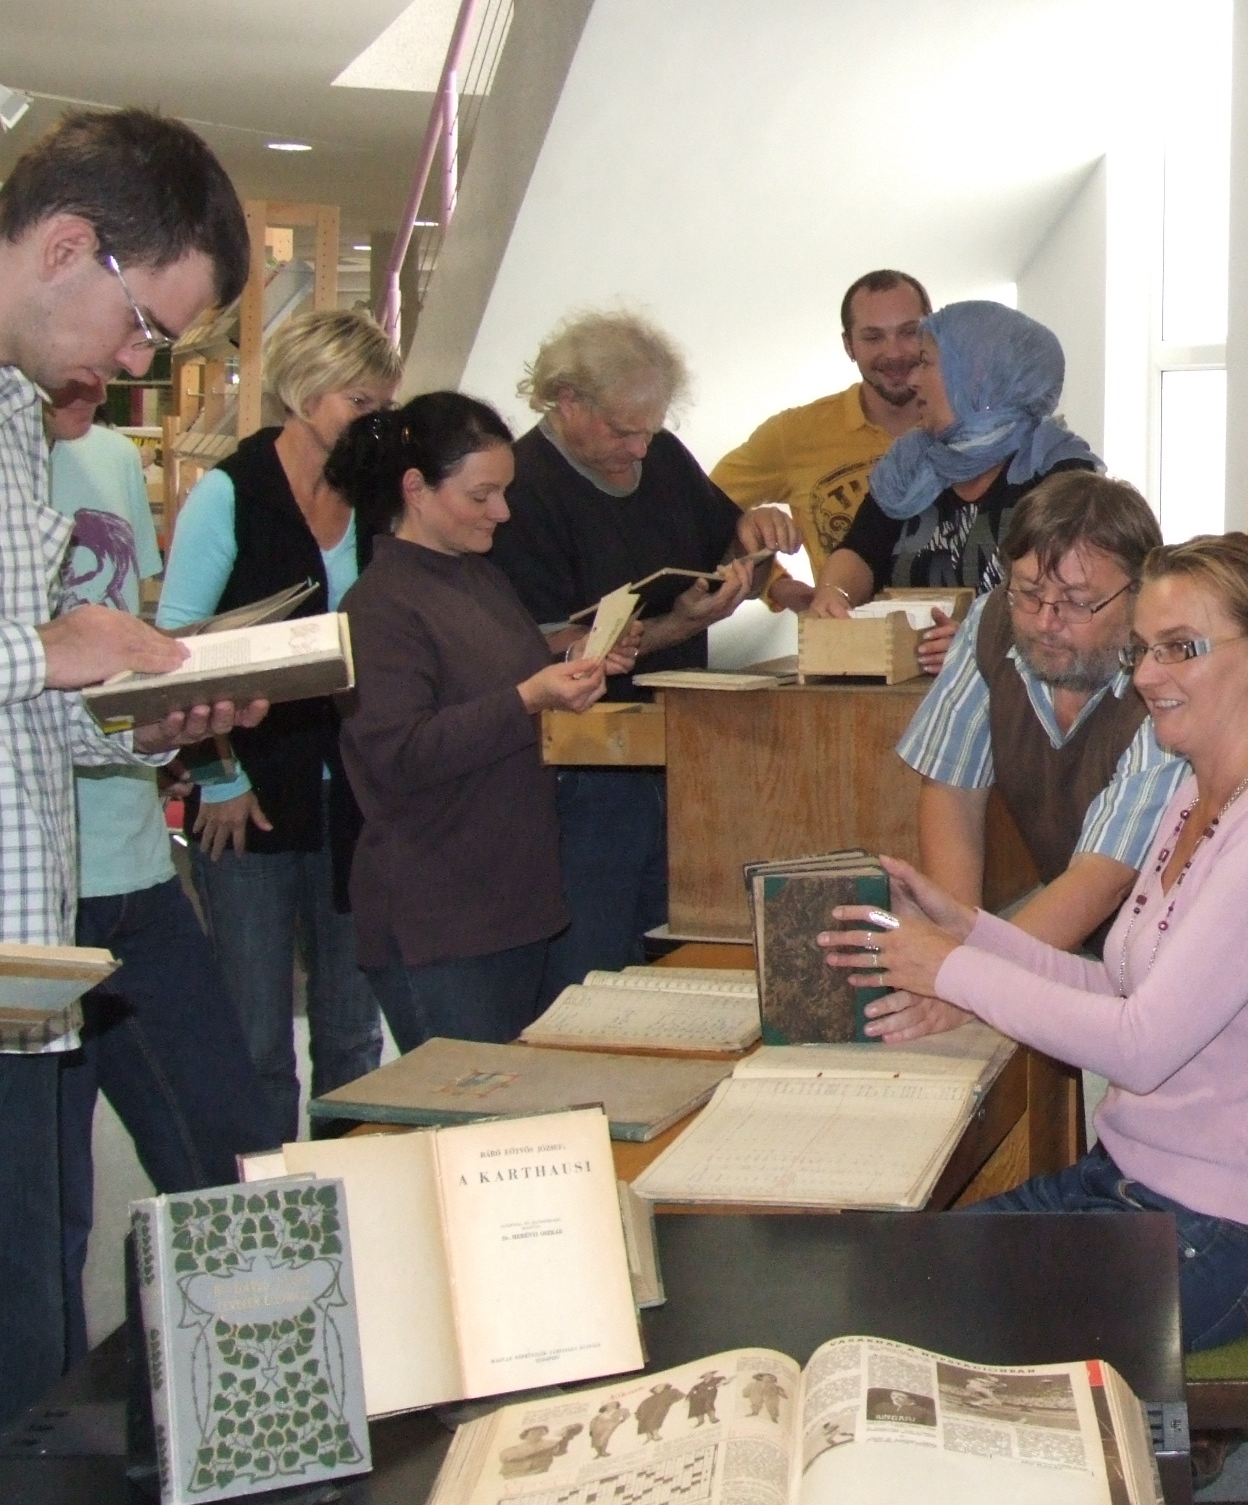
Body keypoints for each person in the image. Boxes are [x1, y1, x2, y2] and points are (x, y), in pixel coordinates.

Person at [826, 534, 1248, 1357]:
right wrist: (969, 930)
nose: (1146, 676)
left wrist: (953, 970)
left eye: (1181, 649)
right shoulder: (1196, 795)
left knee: (921, 1319)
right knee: (894, 1276)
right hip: (1130, 1184)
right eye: (1143, 650)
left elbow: (1140, 1046)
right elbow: (1119, 990)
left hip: (1218, 1235)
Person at [0, 107, 264, 1425]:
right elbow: (25, 661)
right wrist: (50, 651)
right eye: (145, 327)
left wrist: (131, 721)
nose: (134, 362)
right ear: (67, 248)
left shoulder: (18, 421)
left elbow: (19, 716)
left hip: (27, 965)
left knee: (36, 1329)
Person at [46, 372, 267, 1365]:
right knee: (48, 1212)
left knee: (227, 1162)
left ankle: (240, 1405)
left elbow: (134, 644)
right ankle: (44, 1426)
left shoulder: (104, 458)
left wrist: (185, 720)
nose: (117, 365)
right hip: (33, 906)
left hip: (135, 874)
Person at [486, 309, 793, 994]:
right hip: (587, 768)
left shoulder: (663, 459)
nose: (640, 449)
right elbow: (553, 654)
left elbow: (727, 549)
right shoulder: (523, 489)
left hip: (679, 749)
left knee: (676, 953)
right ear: (567, 401)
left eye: (651, 430)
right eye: (624, 431)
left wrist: (754, 538)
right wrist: (676, 626)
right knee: (593, 966)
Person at [156, 306, 400, 1145]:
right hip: (249, 795)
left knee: (353, 1034)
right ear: (304, 393)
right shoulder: (230, 493)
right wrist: (218, 775)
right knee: (257, 1039)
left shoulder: (372, 499)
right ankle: (260, 1200)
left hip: (351, 796)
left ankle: (352, 1191)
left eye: (383, 405)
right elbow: (178, 651)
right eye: (359, 402)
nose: (374, 422)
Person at [330, 394, 624, 1049]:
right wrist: (529, 698)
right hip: (440, 919)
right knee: (467, 1108)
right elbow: (399, 754)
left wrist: (572, 667)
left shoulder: (482, 579)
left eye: (504, 492)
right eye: (481, 495)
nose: (503, 512)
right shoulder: (377, 606)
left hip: (515, 904)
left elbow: (498, 686)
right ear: (416, 489)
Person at [854, 472, 1183, 1044]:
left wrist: (967, 978)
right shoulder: (992, 626)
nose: (1045, 622)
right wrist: (953, 946)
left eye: (1077, 602)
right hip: (1069, 941)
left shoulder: (1165, 689)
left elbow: (1103, 879)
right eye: (1028, 592)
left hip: (1167, 960)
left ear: (1139, 595)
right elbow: (952, 793)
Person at [811, 300, 1099, 672]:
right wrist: (834, 595)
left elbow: (1073, 600)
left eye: (926, 363)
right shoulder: (911, 462)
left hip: (1018, 690)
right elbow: (862, 549)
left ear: (975, 377)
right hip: (906, 684)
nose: (913, 380)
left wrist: (985, 640)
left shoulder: (1058, 473)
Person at [710, 268, 930, 607]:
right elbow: (702, 515)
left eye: (909, 332)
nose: (895, 352)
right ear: (849, 346)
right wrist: (774, 584)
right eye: (873, 337)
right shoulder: (794, 435)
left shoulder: (974, 427)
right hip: (842, 637)